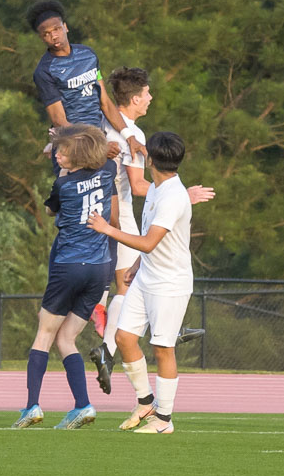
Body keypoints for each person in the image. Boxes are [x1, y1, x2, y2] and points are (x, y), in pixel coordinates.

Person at [88, 67, 211, 393]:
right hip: (121, 216)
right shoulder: (134, 134)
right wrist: (185, 197)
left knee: (122, 281)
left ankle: (118, 324)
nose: (151, 98)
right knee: (127, 286)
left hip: (94, 207)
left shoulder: (102, 124)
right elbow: (141, 185)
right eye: (147, 93)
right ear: (134, 98)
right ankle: (109, 347)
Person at [87, 131, 193, 434]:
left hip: (170, 283)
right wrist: (135, 265)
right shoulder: (157, 189)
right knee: (124, 338)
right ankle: (146, 402)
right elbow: (151, 242)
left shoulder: (173, 195)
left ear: (150, 160)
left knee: (163, 349)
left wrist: (107, 229)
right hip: (147, 276)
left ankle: (164, 420)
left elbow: (148, 242)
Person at [13, 125, 117, 430]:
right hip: (100, 268)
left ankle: (32, 405)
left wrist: (62, 172)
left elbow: (50, 210)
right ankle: (83, 405)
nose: (57, 154)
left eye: (64, 151)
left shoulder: (64, 186)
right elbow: (105, 153)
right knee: (67, 337)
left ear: (78, 155)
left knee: (44, 333)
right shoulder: (109, 170)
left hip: (69, 264)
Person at [26, 0, 142, 168]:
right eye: (47, 34)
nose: (54, 36)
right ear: (41, 38)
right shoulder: (44, 71)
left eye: (57, 29)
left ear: (65, 27)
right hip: (72, 149)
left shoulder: (88, 55)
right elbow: (60, 121)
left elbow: (106, 103)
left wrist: (130, 137)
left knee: (111, 195)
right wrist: (98, 147)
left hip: (100, 145)